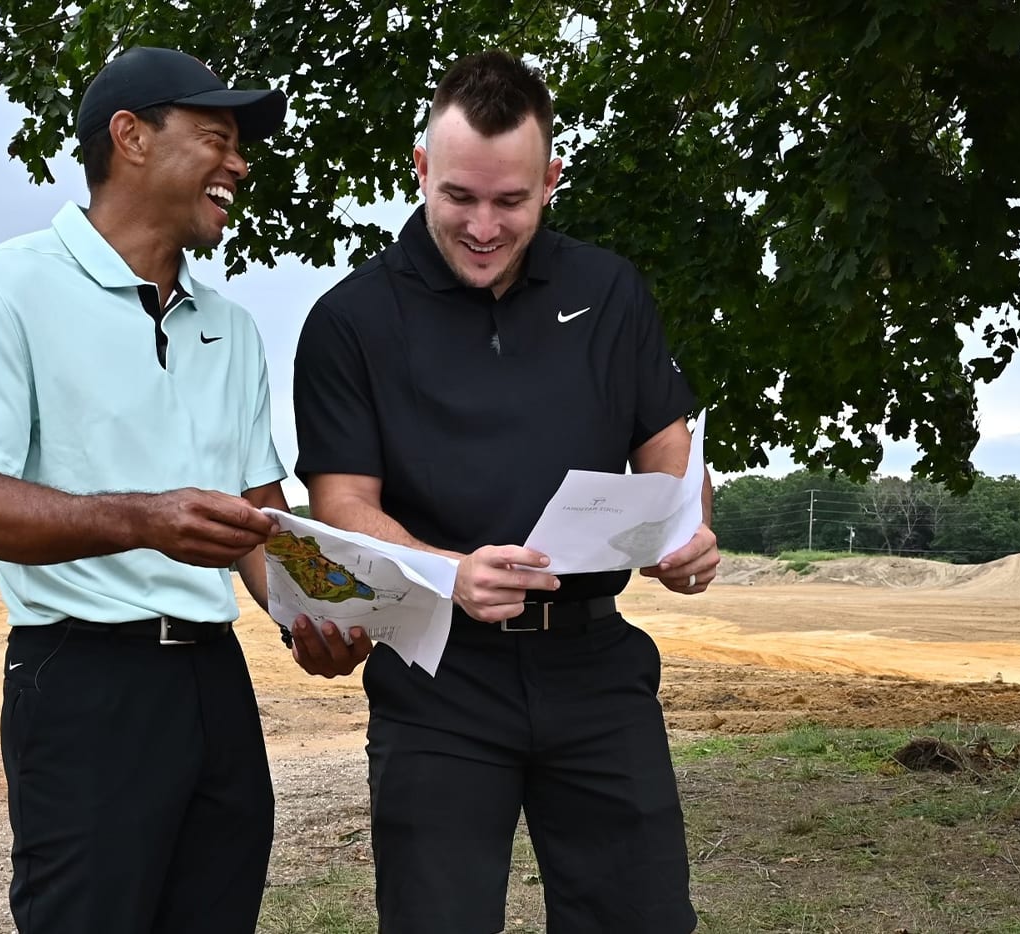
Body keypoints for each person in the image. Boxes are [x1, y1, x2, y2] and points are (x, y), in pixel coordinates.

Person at [289, 51, 718, 933]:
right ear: (421, 170)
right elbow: (339, 505)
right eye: (460, 198)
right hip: (439, 676)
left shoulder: (610, 291)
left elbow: (672, 452)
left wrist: (688, 532)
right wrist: (454, 572)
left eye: (511, 201)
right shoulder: (350, 320)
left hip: (596, 665)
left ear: (551, 179)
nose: (483, 226)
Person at [0, 46, 298, 934]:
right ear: (129, 137)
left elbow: (258, 524)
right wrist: (143, 520)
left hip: (215, 681)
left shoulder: (232, 330)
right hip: (81, 682)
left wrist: (311, 615)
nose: (238, 163)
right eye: (216, 137)